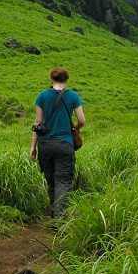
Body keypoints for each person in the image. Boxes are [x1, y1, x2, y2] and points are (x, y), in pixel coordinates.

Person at [29, 67, 86, 219]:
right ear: (66, 79)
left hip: (45, 145)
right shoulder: (73, 96)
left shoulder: (42, 96)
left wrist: (33, 147)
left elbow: (38, 123)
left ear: (51, 79)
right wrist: (75, 128)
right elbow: (82, 120)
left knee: (51, 180)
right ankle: (59, 219)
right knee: (63, 181)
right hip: (64, 144)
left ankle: (53, 213)